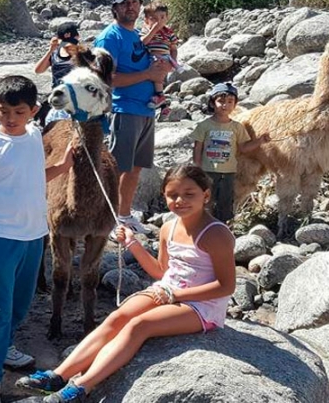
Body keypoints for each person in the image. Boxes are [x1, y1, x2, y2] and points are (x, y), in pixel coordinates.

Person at [16, 164, 236, 403]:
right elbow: (160, 271)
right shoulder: (168, 228)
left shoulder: (216, 234)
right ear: (164, 196)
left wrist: (175, 296)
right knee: (116, 318)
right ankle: (58, 375)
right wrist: (133, 243)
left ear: (206, 195)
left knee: (138, 325)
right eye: (172, 195)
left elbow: (226, 286)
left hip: (201, 305)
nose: (180, 200)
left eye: (189, 194)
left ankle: (80, 387)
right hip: (167, 290)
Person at [0, 76, 75, 403]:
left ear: (34, 111)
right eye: (3, 111)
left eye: (18, 112)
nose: (10, 119)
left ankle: (4, 346)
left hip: (34, 238)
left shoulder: (35, 136)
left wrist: (64, 165)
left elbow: (35, 175)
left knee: (21, 305)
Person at [94, 0, 172, 234]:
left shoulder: (138, 34)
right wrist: (147, 74)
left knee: (135, 168)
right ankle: (107, 219)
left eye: (135, 2)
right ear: (114, 8)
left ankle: (124, 215)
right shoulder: (110, 37)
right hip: (124, 108)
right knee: (118, 168)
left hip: (146, 109)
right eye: (125, 3)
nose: (131, 7)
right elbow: (107, 78)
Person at [191, 83, 270, 223]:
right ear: (212, 103)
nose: (225, 105)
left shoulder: (237, 127)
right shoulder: (204, 126)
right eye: (220, 101)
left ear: (235, 104)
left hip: (228, 172)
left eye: (230, 102)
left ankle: (224, 228)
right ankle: (204, 226)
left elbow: (244, 148)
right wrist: (197, 168)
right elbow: (198, 148)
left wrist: (260, 141)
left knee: (226, 201)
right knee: (207, 199)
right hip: (209, 170)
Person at [34, 21, 81, 124]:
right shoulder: (54, 54)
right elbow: (38, 70)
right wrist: (50, 51)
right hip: (58, 97)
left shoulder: (80, 54)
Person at [140, 1, 180, 114]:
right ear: (147, 20)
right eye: (154, 18)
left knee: (157, 77)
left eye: (162, 17)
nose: (159, 22)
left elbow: (173, 48)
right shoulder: (146, 30)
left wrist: (174, 61)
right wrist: (153, 29)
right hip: (152, 56)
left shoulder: (169, 32)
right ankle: (163, 106)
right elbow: (144, 42)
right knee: (153, 78)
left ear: (167, 18)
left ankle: (160, 97)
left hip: (163, 58)